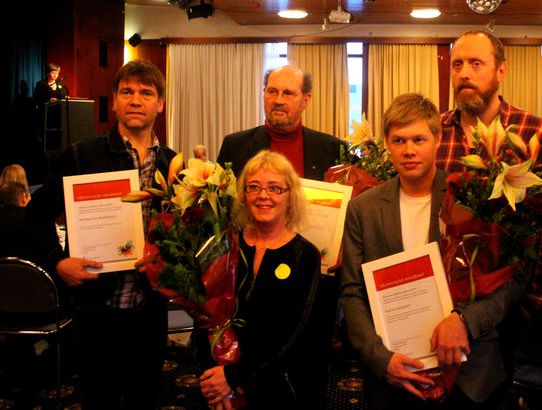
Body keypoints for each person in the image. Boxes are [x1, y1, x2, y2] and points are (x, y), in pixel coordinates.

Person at [340, 93, 526, 409]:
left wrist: (465, 321)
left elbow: (512, 280)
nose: (409, 150)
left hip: (470, 377)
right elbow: (352, 293)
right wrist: (380, 358)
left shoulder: (471, 196)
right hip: (395, 374)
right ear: (386, 143)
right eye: (399, 140)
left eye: (418, 139)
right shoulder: (363, 210)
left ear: (437, 139)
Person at [26, 59, 177, 410]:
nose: (136, 99)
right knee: (100, 400)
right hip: (97, 311)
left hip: (150, 312)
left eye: (146, 93)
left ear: (160, 104)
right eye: (127, 92)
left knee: (145, 398)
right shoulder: (81, 156)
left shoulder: (174, 165)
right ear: (114, 101)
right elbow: (35, 215)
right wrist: (57, 261)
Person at [436, 29, 542, 319]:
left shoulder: (533, 131)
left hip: (512, 302)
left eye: (476, 63)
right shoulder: (435, 132)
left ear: (501, 71)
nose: (464, 73)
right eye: (457, 64)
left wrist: (538, 302)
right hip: (442, 298)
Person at [199, 150, 324, 409]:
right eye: (253, 187)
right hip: (221, 383)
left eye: (275, 188)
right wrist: (217, 377)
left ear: (290, 197)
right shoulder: (226, 243)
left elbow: (292, 333)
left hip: (276, 385)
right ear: (244, 195)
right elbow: (206, 316)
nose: (263, 195)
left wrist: (234, 377)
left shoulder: (305, 255)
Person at [217, 65, 343, 180]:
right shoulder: (234, 146)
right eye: (272, 91)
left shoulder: (334, 150)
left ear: (306, 99)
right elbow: (218, 202)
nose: (278, 100)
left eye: (288, 93)